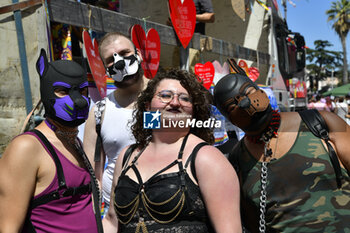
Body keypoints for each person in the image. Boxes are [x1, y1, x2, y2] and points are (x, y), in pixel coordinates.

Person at [103, 68, 242, 232]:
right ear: (148, 106)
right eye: (165, 96)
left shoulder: (206, 158)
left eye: (185, 98)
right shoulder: (127, 156)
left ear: (193, 112)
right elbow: (112, 221)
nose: (175, 102)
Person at [214, 72, 350, 232]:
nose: (245, 103)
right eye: (233, 106)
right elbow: (252, 222)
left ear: (261, 91)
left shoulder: (320, 122)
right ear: (229, 119)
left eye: (249, 93)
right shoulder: (237, 159)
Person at [0, 49, 102, 232]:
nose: (78, 100)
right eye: (62, 91)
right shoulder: (27, 148)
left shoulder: (73, 141)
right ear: (47, 92)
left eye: (82, 90)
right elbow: (8, 227)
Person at [83, 31, 148, 216]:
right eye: (111, 59)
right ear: (105, 68)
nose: (119, 62)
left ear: (139, 54)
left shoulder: (166, 99)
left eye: (125, 53)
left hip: (166, 206)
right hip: (117, 213)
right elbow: (92, 173)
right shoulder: (99, 112)